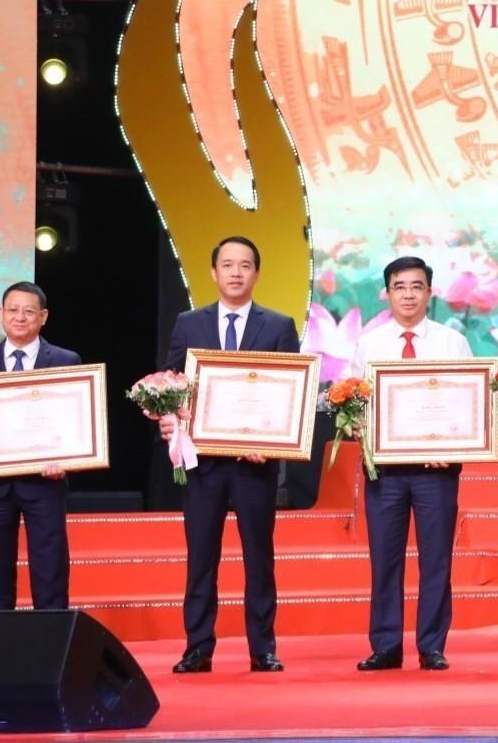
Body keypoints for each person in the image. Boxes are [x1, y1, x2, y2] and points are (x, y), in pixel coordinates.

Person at [159, 235, 303, 674]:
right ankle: (197, 648)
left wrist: (271, 443)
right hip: (202, 464)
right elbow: (170, 381)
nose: (236, 272)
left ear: (256, 273)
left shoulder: (278, 325)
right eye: (227, 264)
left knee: (259, 557)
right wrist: (168, 419)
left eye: (244, 265)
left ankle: (263, 648)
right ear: (213, 272)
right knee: (201, 558)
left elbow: (290, 393)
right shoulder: (189, 323)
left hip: (254, 465)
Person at [355, 256, 473, 672]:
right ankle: (386, 645)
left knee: (436, 559)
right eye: (399, 287)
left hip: (435, 470)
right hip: (385, 472)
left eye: (416, 286)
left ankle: (432, 645)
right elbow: (354, 401)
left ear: (429, 292)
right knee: (384, 559)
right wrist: (359, 428)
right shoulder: (369, 344)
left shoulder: (451, 343)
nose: (408, 295)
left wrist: (454, 444)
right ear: (387, 293)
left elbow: (470, 402)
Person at [0, 282, 81, 611]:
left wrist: (65, 459)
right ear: (0, 313)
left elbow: (74, 421)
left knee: (50, 571)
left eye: (29, 311)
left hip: (45, 482)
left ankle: (51, 638)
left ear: (43, 317)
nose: (20, 317)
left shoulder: (65, 360)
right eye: (13, 310)